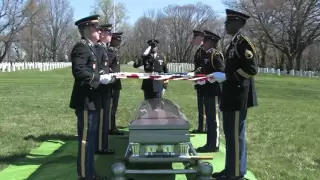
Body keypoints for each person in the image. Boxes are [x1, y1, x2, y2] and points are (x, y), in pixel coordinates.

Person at [210, 9, 258, 180]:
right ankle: (231, 169)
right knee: (231, 136)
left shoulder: (243, 43)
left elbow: (251, 69)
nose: (225, 25)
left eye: (228, 22)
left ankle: (236, 174)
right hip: (231, 95)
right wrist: (219, 77)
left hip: (238, 96)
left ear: (237, 23)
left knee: (236, 136)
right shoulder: (234, 42)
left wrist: (227, 77)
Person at [70, 14, 113, 180]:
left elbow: (91, 69)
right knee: (85, 141)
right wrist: (98, 78)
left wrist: (102, 75)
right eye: (96, 27)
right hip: (86, 101)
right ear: (87, 29)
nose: (99, 30)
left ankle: (90, 172)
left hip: (92, 100)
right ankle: (84, 174)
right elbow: (79, 71)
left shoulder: (90, 48)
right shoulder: (81, 47)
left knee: (91, 140)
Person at [196, 30, 225, 153]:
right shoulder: (206, 54)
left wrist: (209, 79)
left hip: (214, 91)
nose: (203, 43)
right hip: (207, 90)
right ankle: (209, 143)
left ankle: (214, 144)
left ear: (211, 42)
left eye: (206, 41)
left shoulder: (215, 55)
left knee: (214, 119)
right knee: (209, 118)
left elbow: (221, 71)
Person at [94, 23, 115, 155]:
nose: (110, 35)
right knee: (102, 118)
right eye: (108, 33)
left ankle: (103, 144)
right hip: (101, 89)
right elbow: (98, 69)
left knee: (105, 117)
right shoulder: (99, 48)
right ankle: (101, 146)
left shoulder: (104, 48)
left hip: (106, 88)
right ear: (101, 34)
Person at [190, 30, 207, 134]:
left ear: (200, 38)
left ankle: (204, 127)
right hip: (199, 81)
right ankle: (201, 127)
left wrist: (196, 72)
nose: (193, 40)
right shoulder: (199, 50)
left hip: (204, 81)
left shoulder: (204, 49)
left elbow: (205, 65)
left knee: (204, 105)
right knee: (200, 105)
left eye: (195, 38)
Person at [108, 32, 123, 135]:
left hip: (116, 82)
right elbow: (106, 66)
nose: (119, 41)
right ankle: (110, 127)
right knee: (112, 107)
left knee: (114, 106)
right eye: (118, 40)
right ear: (112, 40)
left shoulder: (115, 51)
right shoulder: (110, 51)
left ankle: (112, 126)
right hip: (112, 83)